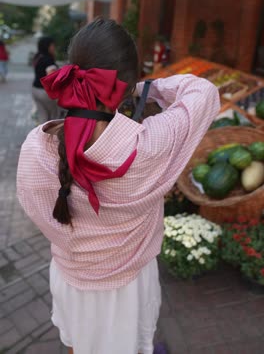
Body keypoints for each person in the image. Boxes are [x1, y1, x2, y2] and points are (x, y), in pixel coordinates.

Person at [17, 18, 220, 354]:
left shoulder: (34, 150)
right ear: (123, 84)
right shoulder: (151, 144)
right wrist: (143, 88)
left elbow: (43, 216)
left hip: (72, 279)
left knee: (76, 345)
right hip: (128, 287)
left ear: (72, 69)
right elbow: (204, 92)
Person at [32, 36, 59, 123]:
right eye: (52, 45)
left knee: (43, 117)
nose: (54, 47)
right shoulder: (48, 60)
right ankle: (50, 136)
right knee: (53, 118)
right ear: (47, 46)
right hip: (45, 93)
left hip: (35, 89)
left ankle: (41, 135)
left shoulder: (38, 57)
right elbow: (51, 78)